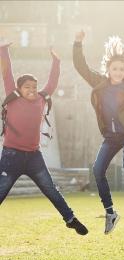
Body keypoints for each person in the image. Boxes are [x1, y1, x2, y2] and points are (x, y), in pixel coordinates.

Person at [0, 39, 88, 235]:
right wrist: (3, 50)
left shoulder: (41, 98)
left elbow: (53, 81)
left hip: (33, 157)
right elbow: (7, 73)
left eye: (34, 86)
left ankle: (70, 219)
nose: (31, 90)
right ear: (19, 89)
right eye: (27, 87)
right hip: (11, 157)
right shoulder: (12, 98)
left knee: (51, 189)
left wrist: (56, 60)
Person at [73, 31, 124, 234]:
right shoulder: (99, 83)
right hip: (110, 137)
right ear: (108, 69)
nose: (118, 72)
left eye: (122, 69)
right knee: (98, 170)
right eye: (114, 68)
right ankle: (110, 213)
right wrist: (77, 43)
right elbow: (80, 67)